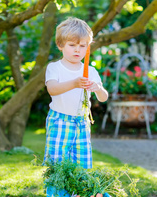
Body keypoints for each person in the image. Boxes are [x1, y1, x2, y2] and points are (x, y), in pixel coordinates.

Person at [43, 17, 108, 170]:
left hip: (82, 122)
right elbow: (52, 89)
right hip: (60, 120)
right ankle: (57, 194)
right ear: (60, 45)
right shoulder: (55, 68)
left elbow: (103, 97)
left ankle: (78, 193)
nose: (78, 50)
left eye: (82, 46)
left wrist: (97, 88)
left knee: (81, 165)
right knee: (57, 163)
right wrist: (74, 83)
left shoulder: (90, 71)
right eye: (72, 45)